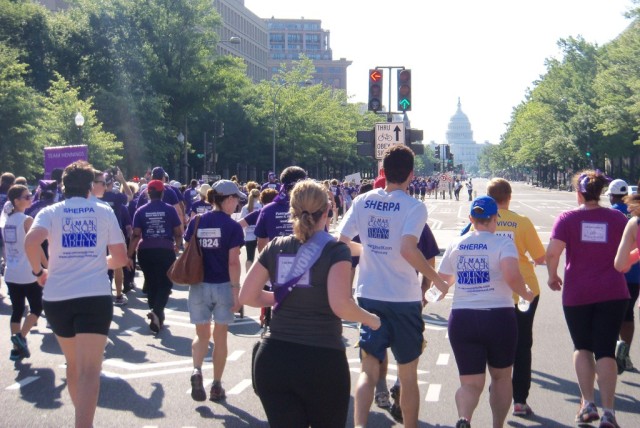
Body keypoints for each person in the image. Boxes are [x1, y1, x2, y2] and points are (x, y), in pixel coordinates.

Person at [239, 179, 381, 427]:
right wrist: (371, 319)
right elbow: (340, 305)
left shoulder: (276, 247)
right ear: (327, 211)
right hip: (321, 360)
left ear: (292, 211)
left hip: (274, 358)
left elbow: (247, 296)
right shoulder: (335, 250)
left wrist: (279, 296)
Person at [338, 145, 449, 428]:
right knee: (408, 374)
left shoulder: (363, 201)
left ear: (383, 172)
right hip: (403, 296)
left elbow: (341, 241)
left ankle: (360, 424)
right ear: (411, 175)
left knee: (368, 369)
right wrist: (434, 279)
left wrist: (367, 252)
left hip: (369, 293)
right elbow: (407, 249)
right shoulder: (414, 206)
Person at [24, 161, 128, 428]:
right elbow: (120, 258)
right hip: (93, 296)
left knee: (73, 365)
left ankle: (83, 421)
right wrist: (96, 261)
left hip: (57, 297)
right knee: (90, 370)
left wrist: (39, 272)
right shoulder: (103, 210)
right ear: (91, 187)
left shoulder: (51, 211)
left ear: (63, 186)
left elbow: (31, 242)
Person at [438, 195, 534, 428]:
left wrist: (432, 295)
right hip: (498, 316)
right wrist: (526, 293)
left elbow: (443, 282)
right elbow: (512, 276)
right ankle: (497, 425)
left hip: (463, 318)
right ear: (494, 219)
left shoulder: (456, 243)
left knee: (469, 383)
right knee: (501, 377)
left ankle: (464, 418)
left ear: (471, 218)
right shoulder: (502, 243)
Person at [546, 170, 629, 428]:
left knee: (582, 347)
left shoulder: (567, 219)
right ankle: (609, 412)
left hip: (578, 292)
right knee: (605, 349)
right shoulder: (617, 218)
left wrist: (552, 276)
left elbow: (552, 252)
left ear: (579, 192)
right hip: (613, 291)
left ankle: (587, 404)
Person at [485, 178, 546, 417]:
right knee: (522, 345)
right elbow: (540, 257)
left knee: (496, 346)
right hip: (524, 291)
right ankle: (520, 400)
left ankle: (497, 391)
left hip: (493, 292)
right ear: (509, 197)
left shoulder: (481, 221)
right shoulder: (521, 222)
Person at [185, 180, 245, 402]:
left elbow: (187, 248)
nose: (238, 203)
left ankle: (196, 370)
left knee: (201, 336)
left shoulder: (198, 220)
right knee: (220, 338)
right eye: (236, 199)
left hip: (199, 284)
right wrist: (236, 291)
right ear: (227, 199)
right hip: (222, 285)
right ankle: (217, 385)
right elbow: (233, 263)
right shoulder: (232, 227)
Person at [128, 179, 183, 333]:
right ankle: (157, 311)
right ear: (162, 192)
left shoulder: (141, 210)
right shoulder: (170, 210)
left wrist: (129, 256)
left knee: (151, 283)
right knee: (165, 284)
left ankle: (156, 314)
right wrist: (177, 246)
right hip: (165, 249)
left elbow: (135, 235)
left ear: (147, 193)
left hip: (145, 250)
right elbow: (178, 232)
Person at [2, 185, 47, 361]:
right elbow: (35, 245)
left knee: (17, 310)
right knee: (37, 307)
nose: (30, 198)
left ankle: (16, 349)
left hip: (11, 271)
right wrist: (47, 264)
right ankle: (20, 337)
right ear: (16, 201)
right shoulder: (26, 220)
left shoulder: (6, 220)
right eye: (26, 196)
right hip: (27, 272)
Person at [608, 179, 640, 373]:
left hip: (619, 271)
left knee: (612, 313)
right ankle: (624, 352)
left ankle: (608, 352)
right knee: (628, 314)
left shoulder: (613, 214)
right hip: (636, 275)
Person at [239, 188, 261, 273]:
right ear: (259, 196)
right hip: (259, 235)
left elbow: (241, 221)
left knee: (249, 257)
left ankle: (248, 275)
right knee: (262, 257)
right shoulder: (261, 206)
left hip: (249, 235)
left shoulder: (245, 207)